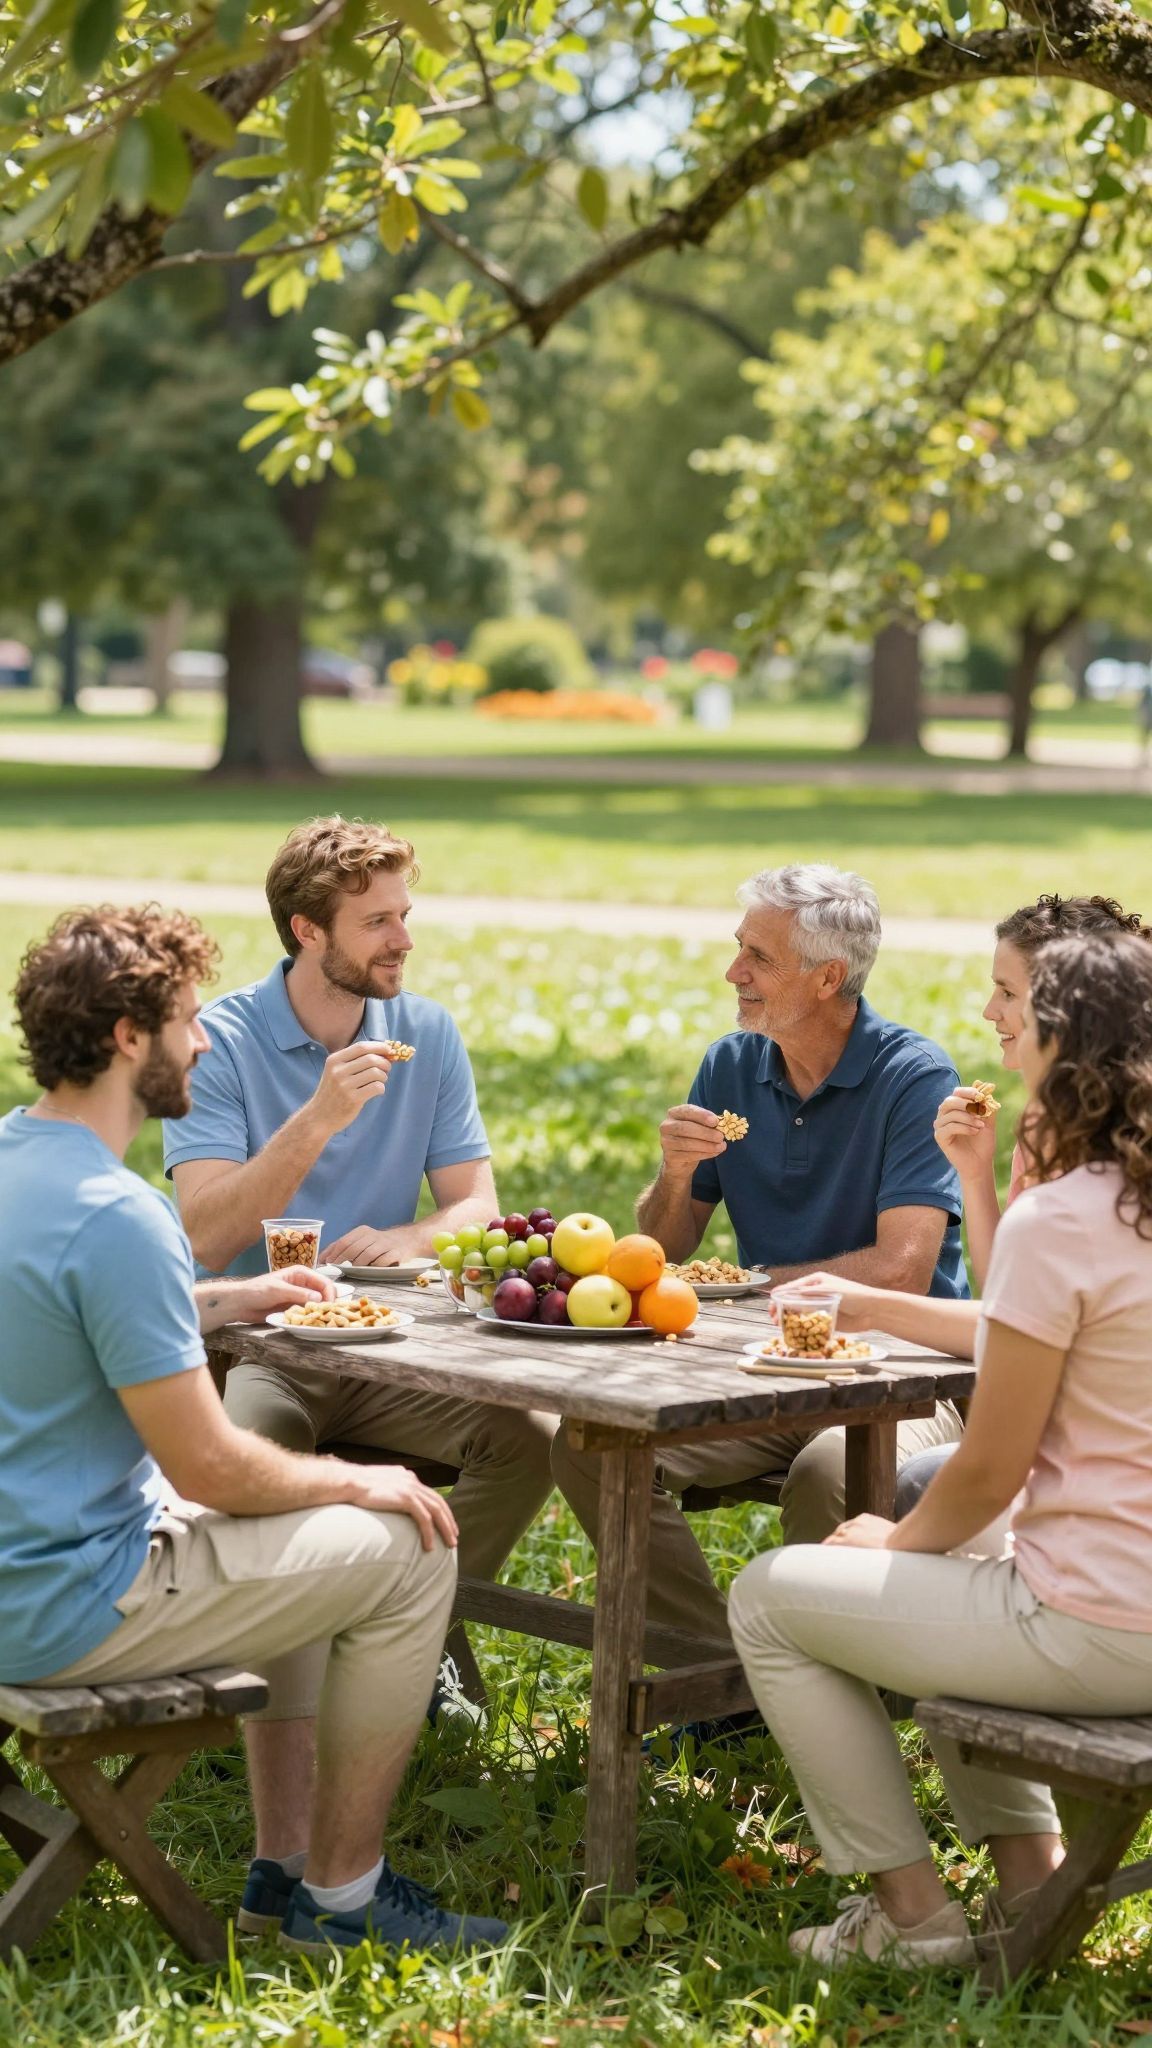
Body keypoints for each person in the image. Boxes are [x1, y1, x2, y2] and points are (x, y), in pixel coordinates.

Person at [0, 906, 507, 1956]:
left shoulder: (16, 1162)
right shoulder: (122, 1214)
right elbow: (212, 1465)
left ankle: (281, 1869)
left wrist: (227, 1301)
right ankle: (343, 1896)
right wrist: (357, 1481)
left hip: (21, 1565)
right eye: (187, 1020)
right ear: (130, 1037)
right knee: (406, 1545)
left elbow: (58, 1310)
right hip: (58, 1607)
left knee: (307, 1542)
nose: (203, 1041)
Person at [729, 932, 1152, 1969]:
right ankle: (1031, 1883)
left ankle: (912, 1916)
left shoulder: (1066, 1217)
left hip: (1105, 1629)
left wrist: (894, 1538)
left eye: (1021, 1014)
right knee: (957, 1567)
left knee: (770, 1598)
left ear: (1065, 1045)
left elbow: (990, 1466)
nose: (1002, 1031)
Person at [163, 816, 556, 1731]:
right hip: (272, 1344)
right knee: (250, 1449)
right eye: (377, 922)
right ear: (308, 930)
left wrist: (414, 1237)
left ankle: (408, 1631)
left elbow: (474, 1205)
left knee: (532, 1435)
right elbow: (205, 1237)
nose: (405, 940)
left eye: (404, 915)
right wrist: (318, 1119)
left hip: (403, 1344)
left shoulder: (426, 1031)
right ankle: (270, 1685)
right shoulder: (220, 1042)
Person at [551, 863, 967, 1655]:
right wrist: (674, 1175)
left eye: (759, 958)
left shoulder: (912, 1077)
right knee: (588, 1444)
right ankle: (727, 1672)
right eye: (739, 948)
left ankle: (838, 1681)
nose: (733, 971)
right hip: (762, 1369)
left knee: (828, 1473)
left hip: (900, 1378)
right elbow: (667, 1248)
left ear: (827, 978)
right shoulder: (733, 1064)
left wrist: (744, 1292)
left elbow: (902, 1269)